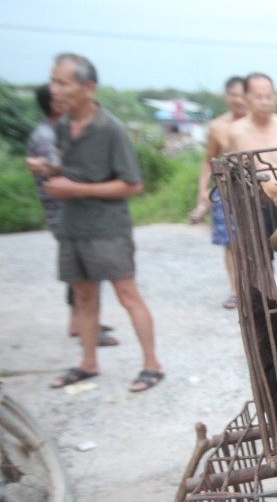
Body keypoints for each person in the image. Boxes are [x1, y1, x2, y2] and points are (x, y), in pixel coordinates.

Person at [29, 53, 163, 392]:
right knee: (84, 298)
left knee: (127, 295)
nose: (54, 89)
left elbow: (132, 184)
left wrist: (74, 188)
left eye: (62, 82)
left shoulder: (111, 129)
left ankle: (152, 364)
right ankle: (88, 362)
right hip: (73, 225)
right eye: (53, 81)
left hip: (108, 228)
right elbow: (73, 169)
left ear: (88, 87)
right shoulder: (62, 126)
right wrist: (51, 171)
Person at [27, 85, 118, 346]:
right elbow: (65, 173)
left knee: (84, 269)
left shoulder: (59, 130)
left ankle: (80, 321)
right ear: (55, 105)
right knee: (87, 268)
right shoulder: (49, 134)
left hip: (70, 209)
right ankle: (83, 324)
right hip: (67, 211)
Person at [227, 73, 277, 297]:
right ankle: (271, 310)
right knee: (259, 259)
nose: (265, 102)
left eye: (269, 96)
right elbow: (231, 170)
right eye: (259, 96)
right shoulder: (235, 131)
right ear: (246, 98)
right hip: (253, 200)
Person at [190, 76, 247, 309]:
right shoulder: (217, 126)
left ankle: (259, 288)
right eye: (234, 95)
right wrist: (203, 191)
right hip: (226, 190)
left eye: (243, 95)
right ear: (226, 97)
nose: (239, 100)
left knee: (257, 242)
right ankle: (235, 290)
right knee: (230, 243)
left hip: (254, 191)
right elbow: (208, 161)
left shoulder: (258, 124)